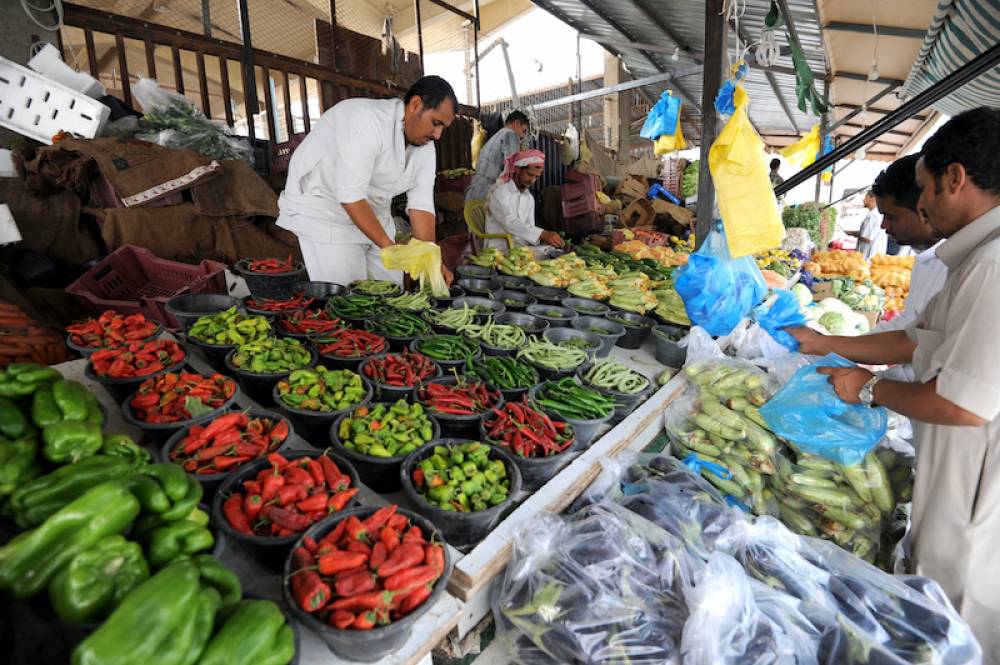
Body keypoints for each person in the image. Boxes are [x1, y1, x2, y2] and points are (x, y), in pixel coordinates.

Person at [789, 107, 1000, 660]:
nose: (923, 203)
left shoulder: (995, 264)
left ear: (956, 178)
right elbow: (915, 339)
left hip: (977, 501)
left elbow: (963, 405)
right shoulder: (978, 257)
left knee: (956, 626)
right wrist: (824, 342)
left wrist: (866, 388)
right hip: (956, 480)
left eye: (927, 187)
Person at [275, 75, 456, 286]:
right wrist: (389, 248)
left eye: (444, 127)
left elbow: (421, 205)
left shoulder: (425, 148)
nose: (438, 134)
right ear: (415, 105)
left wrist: (430, 258)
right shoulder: (365, 120)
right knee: (348, 298)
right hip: (327, 214)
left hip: (375, 215)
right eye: (436, 123)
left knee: (390, 293)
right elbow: (350, 196)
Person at [869, 154, 948, 382]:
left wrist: (873, 386)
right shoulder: (924, 259)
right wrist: (838, 346)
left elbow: (924, 350)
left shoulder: (968, 266)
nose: (883, 225)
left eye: (890, 216)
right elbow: (907, 324)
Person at [483, 149, 565, 253]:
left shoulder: (528, 198)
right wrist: (542, 234)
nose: (532, 181)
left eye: (536, 177)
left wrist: (542, 240)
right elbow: (509, 222)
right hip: (499, 249)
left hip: (521, 249)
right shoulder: (500, 192)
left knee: (554, 253)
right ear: (517, 169)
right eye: (530, 175)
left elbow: (530, 226)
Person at [465, 110, 530, 203]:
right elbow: (511, 169)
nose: (523, 136)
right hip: (488, 196)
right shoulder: (511, 135)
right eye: (524, 131)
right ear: (516, 123)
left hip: (472, 197)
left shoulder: (493, 138)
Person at [850, 190, 888, 259]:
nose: (863, 200)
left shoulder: (872, 216)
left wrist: (853, 233)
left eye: (865, 197)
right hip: (875, 256)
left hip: (868, 257)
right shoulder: (878, 214)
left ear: (872, 198)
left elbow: (867, 238)